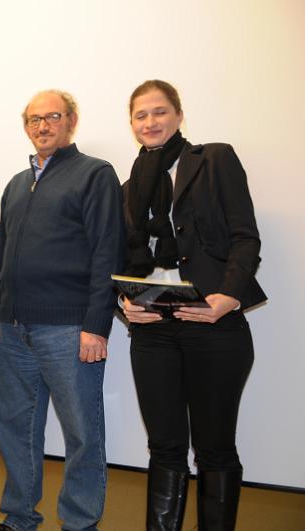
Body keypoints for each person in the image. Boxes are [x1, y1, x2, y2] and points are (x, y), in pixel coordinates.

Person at [120, 80, 265, 531]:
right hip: (153, 330)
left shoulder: (214, 159)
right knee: (164, 448)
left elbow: (245, 236)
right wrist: (123, 303)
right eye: (141, 115)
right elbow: (117, 258)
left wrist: (230, 295)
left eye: (160, 111)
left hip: (214, 325)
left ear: (179, 115)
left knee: (215, 448)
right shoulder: (128, 187)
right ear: (132, 124)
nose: (150, 122)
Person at [0, 90, 124, 531]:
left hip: (68, 328)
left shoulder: (95, 174)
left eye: (52, 117)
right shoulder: (15, 184)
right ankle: (19, 516)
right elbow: (1, 255)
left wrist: (96, 325)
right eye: (34, 119)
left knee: (82, 432)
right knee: (14, 427)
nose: (42, 126)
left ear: (71, 121)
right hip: (14, 329)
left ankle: (79, 522)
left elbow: (107, 252)